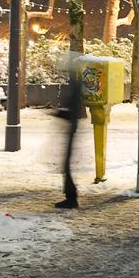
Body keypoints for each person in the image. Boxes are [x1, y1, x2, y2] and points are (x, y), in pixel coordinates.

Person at [53, 64, 83, 209]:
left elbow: (74, 111)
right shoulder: (76, 87)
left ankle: (71, 197)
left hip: (71, 130)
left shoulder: (74, 88)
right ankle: (70, 196)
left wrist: (58, 113)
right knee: (65, 165)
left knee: (66, 165)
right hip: (71, 129)